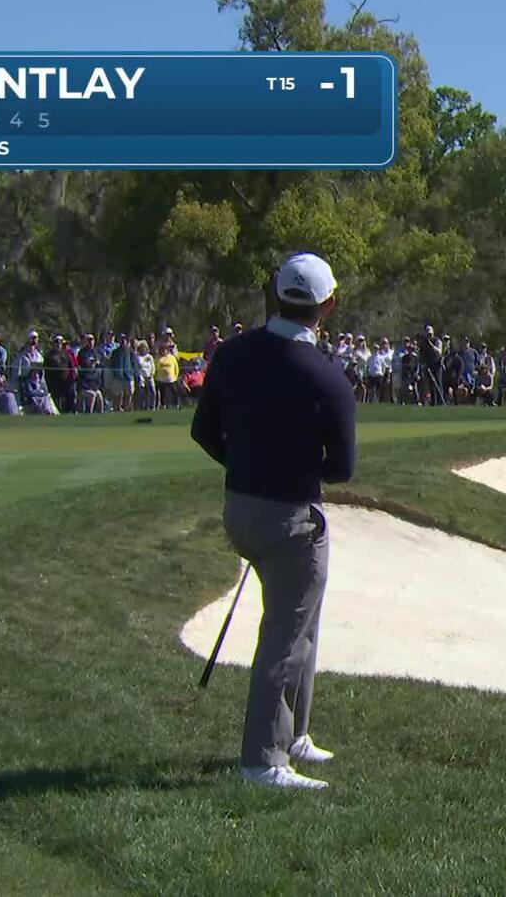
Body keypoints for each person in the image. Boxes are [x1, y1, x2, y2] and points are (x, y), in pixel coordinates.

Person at [191, 252, 355, 792]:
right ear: (327, 306)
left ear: (275, 294)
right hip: (292, 520)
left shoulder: (233, 354)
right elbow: (342, 467)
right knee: (286, 636)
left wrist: (248, 466)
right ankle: (263, 760)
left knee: (300, 624)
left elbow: (205, 431)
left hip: (240, 509)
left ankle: (297, 733)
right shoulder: (326, 374)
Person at [154, 342, 182, 408]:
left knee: (174, 391)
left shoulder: (172, 357)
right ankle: (163, 405)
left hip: (171, 378)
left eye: (164, 349)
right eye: (162, 349)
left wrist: (176, 376)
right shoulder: (158, 358)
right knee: (162, 393)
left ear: (167, 350)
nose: (163, 351)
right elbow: (156, 367)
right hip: (160, 378)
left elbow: (176, 367)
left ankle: (177, 404)